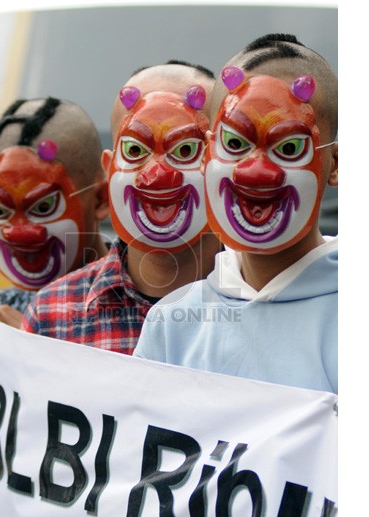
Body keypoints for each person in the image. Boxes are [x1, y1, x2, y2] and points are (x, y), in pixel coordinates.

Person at [133, 34, 339, 394]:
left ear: (335, 163)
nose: (254, 170)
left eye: (289, 147)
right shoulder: (170, 325)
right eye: (233, 144)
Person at [20, 61, 222, 355]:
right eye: (135, 150)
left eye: (186, 149)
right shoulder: (51, 317)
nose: (157, 174)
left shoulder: (266, 300)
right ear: (109, 169)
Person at [0, 97, 109, 329]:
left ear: (100, 200)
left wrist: (31, 345)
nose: (17, 232)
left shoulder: (142, 308)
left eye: (43, 208)